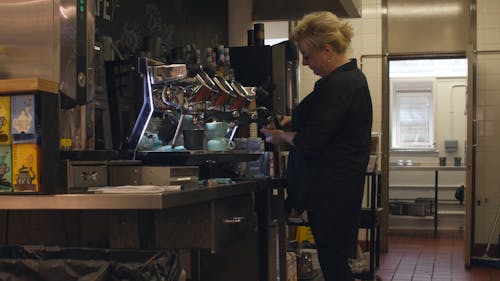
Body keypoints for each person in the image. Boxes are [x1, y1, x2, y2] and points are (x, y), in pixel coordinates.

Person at [260, 11, 373, 281]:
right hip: (335, 192)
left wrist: (280, 136)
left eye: (307, 56)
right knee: (333, 262)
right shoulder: (345, 80)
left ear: (327, 50)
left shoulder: (342, 84)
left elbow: (312, 141)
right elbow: (326, 125)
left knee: (334, 266)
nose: (305, 63)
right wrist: (292, 121)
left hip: (333, 194)